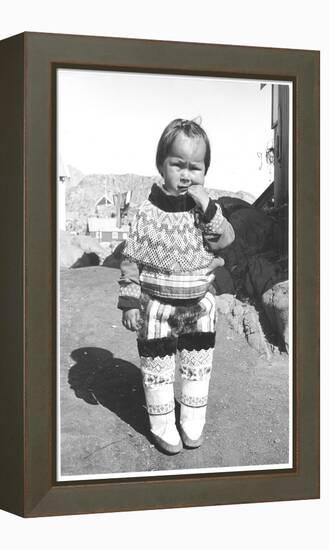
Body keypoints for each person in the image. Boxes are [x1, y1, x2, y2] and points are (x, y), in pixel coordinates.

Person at [117, 118, 235, 454]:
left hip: (199, 305)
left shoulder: (206, 211)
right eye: (177, 165)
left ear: (205, 172)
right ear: (161, 165)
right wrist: (129, 302)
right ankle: (163, 425)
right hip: (156, 306)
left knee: (197, 368)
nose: (186, 175)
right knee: (158, 370)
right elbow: (131, 259)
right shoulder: (145, 212)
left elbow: (225, 241)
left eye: (195, 168)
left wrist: (210, 209)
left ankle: (192, 422)